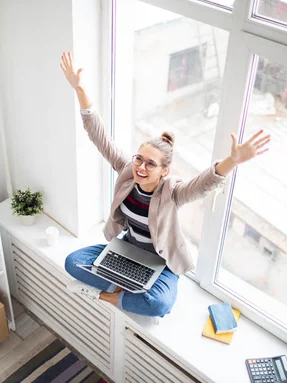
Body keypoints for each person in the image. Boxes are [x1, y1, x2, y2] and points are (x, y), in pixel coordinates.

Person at [60, 52, 270, 320]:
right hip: (127, 249)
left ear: (164, 171)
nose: (141, 168)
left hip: (162, 262)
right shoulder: (127, 171)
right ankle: (129, 288)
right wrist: (79, 88)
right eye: (139, 159)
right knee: (72, 262)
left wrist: (233, 160)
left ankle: (107, 295)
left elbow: (204, 184)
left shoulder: (172, 191)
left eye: (150, 164)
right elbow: (98, 135)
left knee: (159, 305)